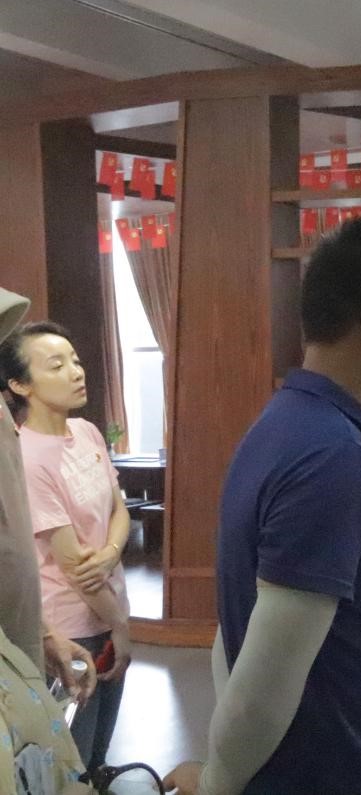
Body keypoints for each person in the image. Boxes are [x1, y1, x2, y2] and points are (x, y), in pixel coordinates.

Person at [162, 218, 361, 795]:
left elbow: (235, 632)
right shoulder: (330, 456)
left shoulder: (287, 425)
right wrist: (218, 783)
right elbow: (265, 677)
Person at [1, 321, 132, 777]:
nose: (76, 371)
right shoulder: (26, 454)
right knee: (71, 759)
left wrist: (111, 551)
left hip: (110, 608)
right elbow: (75, 567)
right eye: (56, 366)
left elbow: (120, 509)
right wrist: (121, 628)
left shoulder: (87, 431)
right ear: (20, 385)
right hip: (71, 626)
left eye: (74, 360)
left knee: (99, 757)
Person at [0, 286, 94, 795]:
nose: (75, 372)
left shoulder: (2, 418)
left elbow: (10, 550)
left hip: (14, 651)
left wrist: (39, 633)